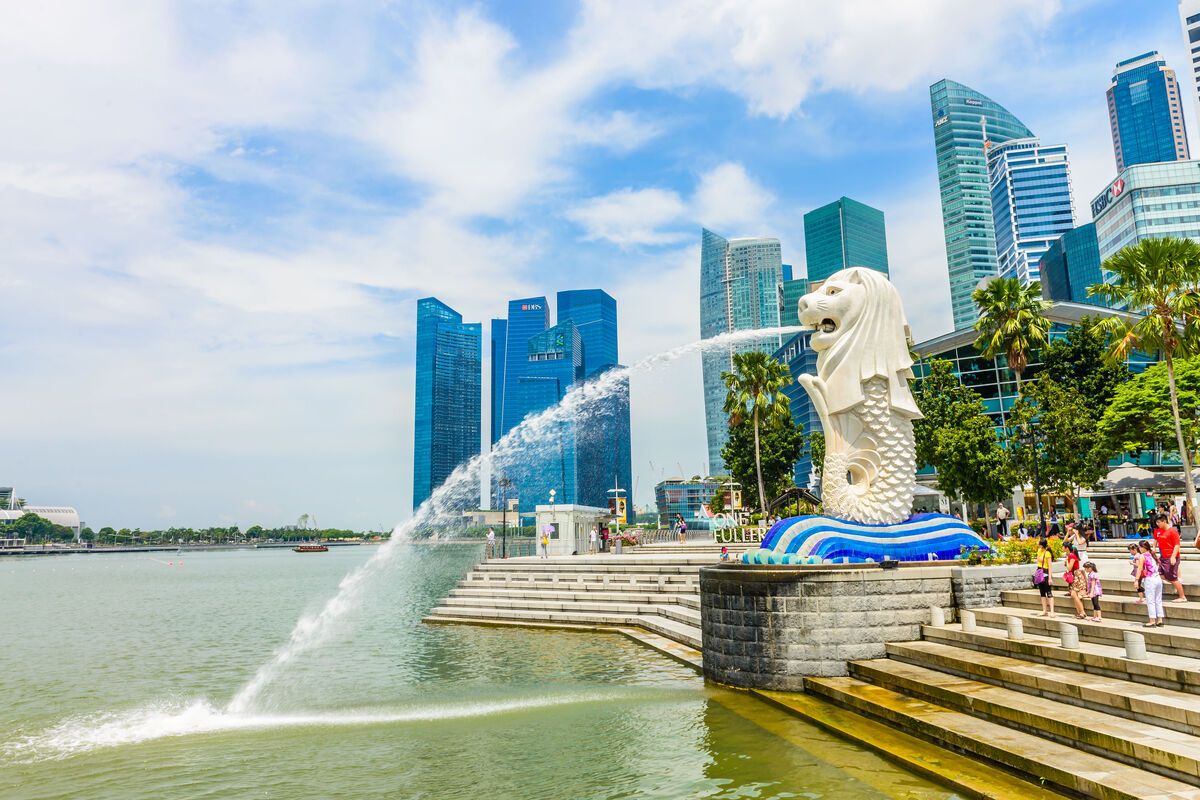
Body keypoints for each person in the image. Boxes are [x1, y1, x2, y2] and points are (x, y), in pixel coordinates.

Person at [1152, 513, 1188, 603]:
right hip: (1163, 557)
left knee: (1172, 577)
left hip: (1171, 557)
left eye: (1159, 522)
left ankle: (1182, 596)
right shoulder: (1158, 530)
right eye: (1156, 522)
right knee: (1160, 574)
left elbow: (1177, 545)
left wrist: (1173, 556)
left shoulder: (1172, 531)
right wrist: (1154, 549)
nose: (1157, 524)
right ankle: (1176, 583)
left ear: (1164, 521)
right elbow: (1156, 540)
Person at [1136, 540, 1165, 627]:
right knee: (1158, 600)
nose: (1139, 549)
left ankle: (1152, 620)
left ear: (1143, 547)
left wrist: (1136, 580)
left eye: (1140, 547)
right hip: (1158, 579)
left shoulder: (1142, 556)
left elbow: (1139, 569)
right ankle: (1160, 619)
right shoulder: (1153, 554)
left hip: (1150, 580)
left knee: (1150, 600)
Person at [1064, 542, 1087, 620]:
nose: (1062, 548)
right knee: (1074, 594)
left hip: (1076, 576)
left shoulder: (1071, 556)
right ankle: (1080, 612)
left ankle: (1082, 612)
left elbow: (1069, 568)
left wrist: (1067, 561)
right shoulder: (1070, 556)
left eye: (1063, 547)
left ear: (1066, 548)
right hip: (1074, 576)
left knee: (1074, 594)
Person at [1034, 538, 1055, 617]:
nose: (1037, 543)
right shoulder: (1039, 551)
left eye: (1038, 543)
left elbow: (1050, 566)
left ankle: (1052, 611)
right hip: (1039, 572)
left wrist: (1050, 578)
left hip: (1045, 572)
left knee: (1048, 592)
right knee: (1042, 592)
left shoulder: (1047, 553)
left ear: (1041, 545)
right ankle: (1044, 610)